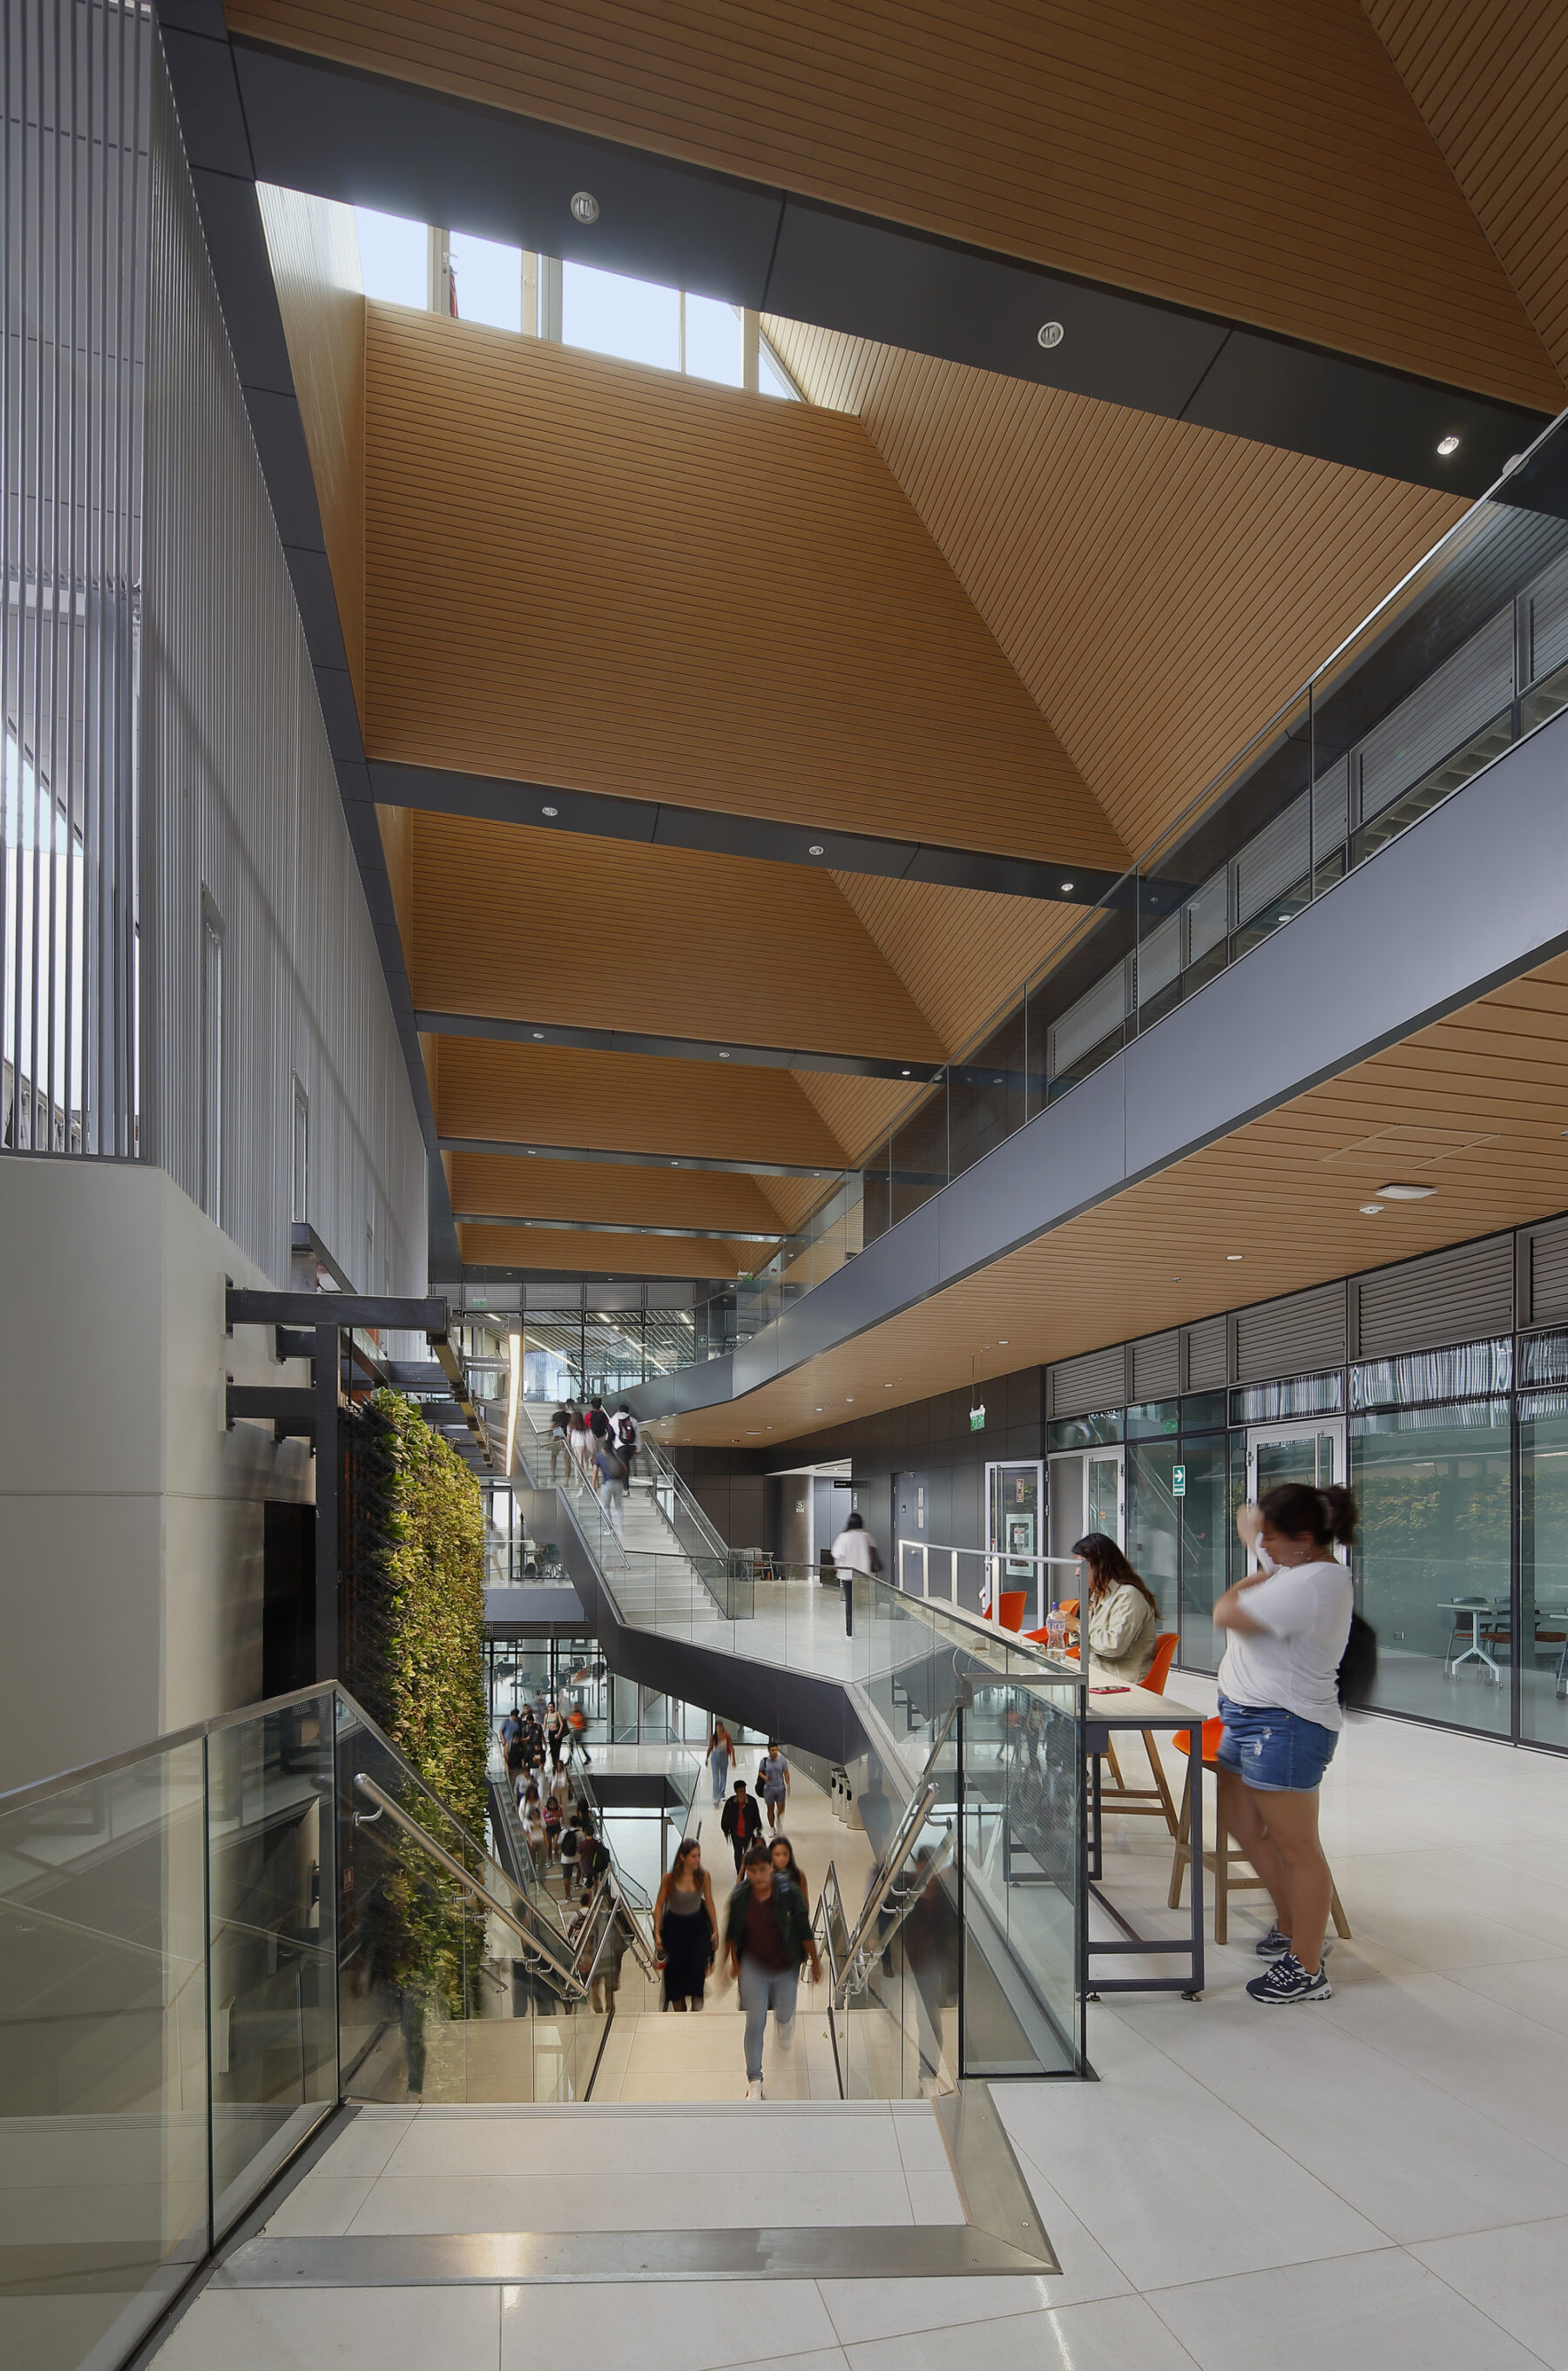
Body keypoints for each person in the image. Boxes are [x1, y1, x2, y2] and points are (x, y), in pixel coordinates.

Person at [1213, 1482, 1357, 2006]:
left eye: (1271, 1538)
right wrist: (1259, 1545)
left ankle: (1307, 1965)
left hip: (1286, 1724)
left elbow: (1225, 1613)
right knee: (1244, 1824)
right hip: (1248, 1717)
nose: (1263, 1546)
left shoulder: (1315, 1582)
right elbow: (1268, 1554)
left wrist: (1248, 1579)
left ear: (1302, 1538)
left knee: (1298, 1847)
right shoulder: (1295, 1567)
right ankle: (1296, 1926)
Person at [726, 1842, 821, 2099]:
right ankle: (754, 2079)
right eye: (752, 1871)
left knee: (786, 2010)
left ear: (772, 1868)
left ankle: (783, 2021)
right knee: (755, 2022)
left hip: (785, 1965)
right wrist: (732, 1965)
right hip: (754, 1967)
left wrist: (815, 1961)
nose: (757, 1877)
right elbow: (732, 1934)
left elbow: (803, 1927)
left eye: (763, 1870)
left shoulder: (789, 1891)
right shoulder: (740, 1897)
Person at [1072, 1532, 1161, 1683]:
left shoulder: (1129, 1596)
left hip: (1121, 1682)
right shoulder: (1099, 1594)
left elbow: (1114, 1646)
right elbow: (1093, 1637)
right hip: (1099, 1674)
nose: (1076, 1573)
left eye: (1083, 1566)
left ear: (1102, 1565)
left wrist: (1076, 1625)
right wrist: (1068, 1630)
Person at [654, 1836, 718, 2010]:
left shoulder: (703, 1876)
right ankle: (680, 2012)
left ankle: (697, 1998)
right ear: (683, 1857)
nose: (698, 1859)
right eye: (694, 1856)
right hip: (675, 1928)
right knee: (674, 1973)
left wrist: (715, 1929)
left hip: (696, 1926)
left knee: (697, 1966)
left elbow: (709, 1902)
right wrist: (657, 1932)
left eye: (699, 1856)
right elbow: (659, 1905)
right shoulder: (670, 1878)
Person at [830, 1509, 881, 1631]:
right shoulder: (866, 1536)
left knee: (850, 1603)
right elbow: (873, 1551)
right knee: (864, 1602)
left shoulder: (843, 1536)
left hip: (847, 1574)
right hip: (863, 1574)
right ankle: (865, 1627)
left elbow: (836, 1553)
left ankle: (850, 1630)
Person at [720, 1776, 762, 1872]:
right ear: (736, 1791)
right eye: (740, 1791)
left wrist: (758, 1828)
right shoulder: (730, 1803)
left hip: (748, 1833)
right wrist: (726, 1831)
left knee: (749, 1853)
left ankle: (749, 1870)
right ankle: (740, 1872)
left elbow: (756, 1815)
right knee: (738, 1853)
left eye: (744, 1790)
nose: (742, 1793)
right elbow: (725, 1818)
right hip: (736, 1835)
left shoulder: (751, 1801)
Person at [594, 1432, 629, 1540]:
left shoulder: (600, 1456)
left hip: (607, 1485)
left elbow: (595, 1471)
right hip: (618, 1484)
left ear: (603, 1449)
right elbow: (625, 1469)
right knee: (618, 1507)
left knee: (606, 1507)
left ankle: (610, 1529)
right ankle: (621, 1531)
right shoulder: (616, 1456)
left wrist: (594, 1485)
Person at [768, 1833, 808, 1915]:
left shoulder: (798, 1875)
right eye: (777, 1854)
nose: (782, 1858)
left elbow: (805, 1904)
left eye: (785, 1854)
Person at [758, 1740, 790, 1831]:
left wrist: (788, 1784)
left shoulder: (782, 1761)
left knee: (781, 1807)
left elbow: (786, 1772)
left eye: (776, 1750)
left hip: (780, 1788)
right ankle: (772, 1827)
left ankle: (778, 1817)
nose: (775, 1752)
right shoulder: (764, 1761)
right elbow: (760, 1771)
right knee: (770, 1809)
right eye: (772, 1750)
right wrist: (765, 1777)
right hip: (769, 1789)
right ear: (769, 1751)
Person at [706, 1720, 733, 1809]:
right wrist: (707, 1758)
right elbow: (710, 1747)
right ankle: (716, 1796)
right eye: (717, 1727)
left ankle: (722, 1793)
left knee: (723, 1775)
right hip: (715, 1756)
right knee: (716, 1777)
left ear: (722, 1727)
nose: (719, 1729)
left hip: (724, 1756)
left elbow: (731, 1747)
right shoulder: (713, 1737)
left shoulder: (727, 1735)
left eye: (720, 1727)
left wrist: (734, 1759)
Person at [612, 1402, 641, 1473]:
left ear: (619, 1411)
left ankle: (625, 1482)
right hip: (632, 1447)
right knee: (625, 1464)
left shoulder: (615, 1419)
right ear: (628, 1412)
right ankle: (625, 1481)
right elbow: (637, 1436)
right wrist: (638, 1449)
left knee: (624, 1466)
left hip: (621, 1446)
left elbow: (611, 1434)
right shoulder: (633, 1420)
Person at [549, 1402, 571, 1483]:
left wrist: (549, 1436)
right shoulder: (569, 1416)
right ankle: (566, 1481)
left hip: (557, 1438)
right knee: (566, 1459)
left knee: (553, 1457)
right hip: (565, 1438)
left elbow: (553, 1426)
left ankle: (553, 1475)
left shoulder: (555, 1415)